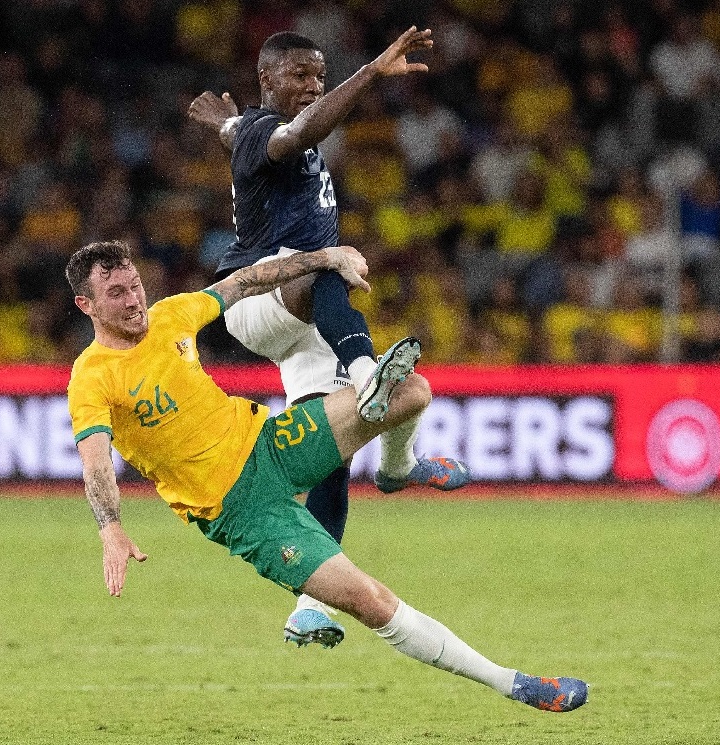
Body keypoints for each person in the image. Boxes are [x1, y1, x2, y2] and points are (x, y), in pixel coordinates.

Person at [65, 239, 588, 713]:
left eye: (135, 285)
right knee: (372, 601)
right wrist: (110, 527)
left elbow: (248, 280)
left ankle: (396, 469)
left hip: (271, 443)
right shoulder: (91, 377)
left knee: (410, 392)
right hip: (241, 509)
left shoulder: (171, 315)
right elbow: (95, 459)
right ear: (86, 306)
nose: (134, 301)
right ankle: (513, 683)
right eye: (115, 294)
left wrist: (326, 259)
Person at [188, 26, 469, 644]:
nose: (312, 88)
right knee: (328, 265)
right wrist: (370, 73)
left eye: (319, 77)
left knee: (331, 453)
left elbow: (249, 135)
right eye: (299, 77)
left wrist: (221, 125)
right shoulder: (274, 131)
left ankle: (311, 603)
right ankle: (372, 381)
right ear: (266, 79)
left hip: (305, 322)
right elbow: (296, 132)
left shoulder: (250, 132)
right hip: (257, 297)